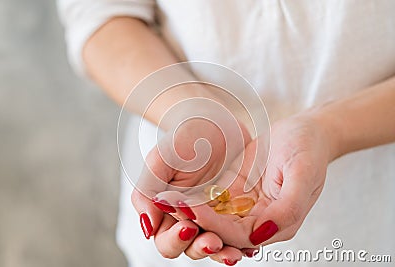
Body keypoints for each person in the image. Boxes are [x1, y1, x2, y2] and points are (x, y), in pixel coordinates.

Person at [57, 1, 395, 266]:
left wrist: (332, 129)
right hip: (183, 197)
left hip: (372, 226)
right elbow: (101, 15)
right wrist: (193, 109)